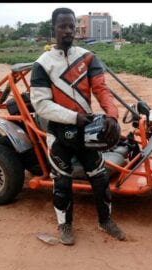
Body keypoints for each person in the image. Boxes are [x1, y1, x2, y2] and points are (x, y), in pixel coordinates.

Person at [30, 7, 126, 245]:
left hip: (86, 133)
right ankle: (65, 226)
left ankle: (105, 222)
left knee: (101, 179)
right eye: (63, 26)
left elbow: (102, 90)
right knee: (62, 183)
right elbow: (41, 105)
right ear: (53, 28)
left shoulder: (87, 57)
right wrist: (74, 117)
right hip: (58, 133)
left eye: (71, 26)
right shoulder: (42, 65)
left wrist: (112, 116)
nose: (68, 31)